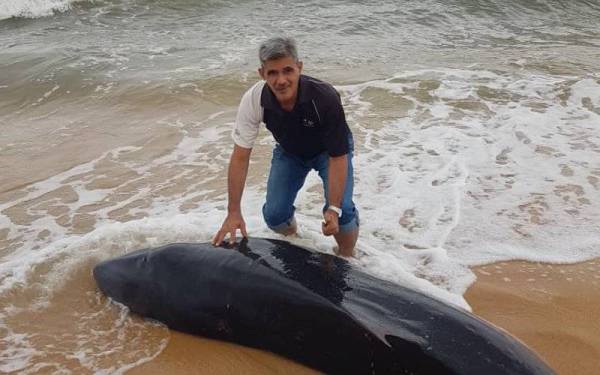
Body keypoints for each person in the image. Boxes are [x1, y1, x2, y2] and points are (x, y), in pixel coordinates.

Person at [212, 37, 359, 257]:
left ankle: (347, 256)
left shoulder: (324, 97)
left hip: (328, 152)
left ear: (299, 68)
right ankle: (298, 244)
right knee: (274, 215)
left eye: (287, 70)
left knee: (343, 211)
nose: (281, 80)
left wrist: (333, 209)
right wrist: (233, 212)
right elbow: (240, 156)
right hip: (290, 152)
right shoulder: (254, 99)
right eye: (272, 73)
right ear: (262, 74)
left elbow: (338, 156)